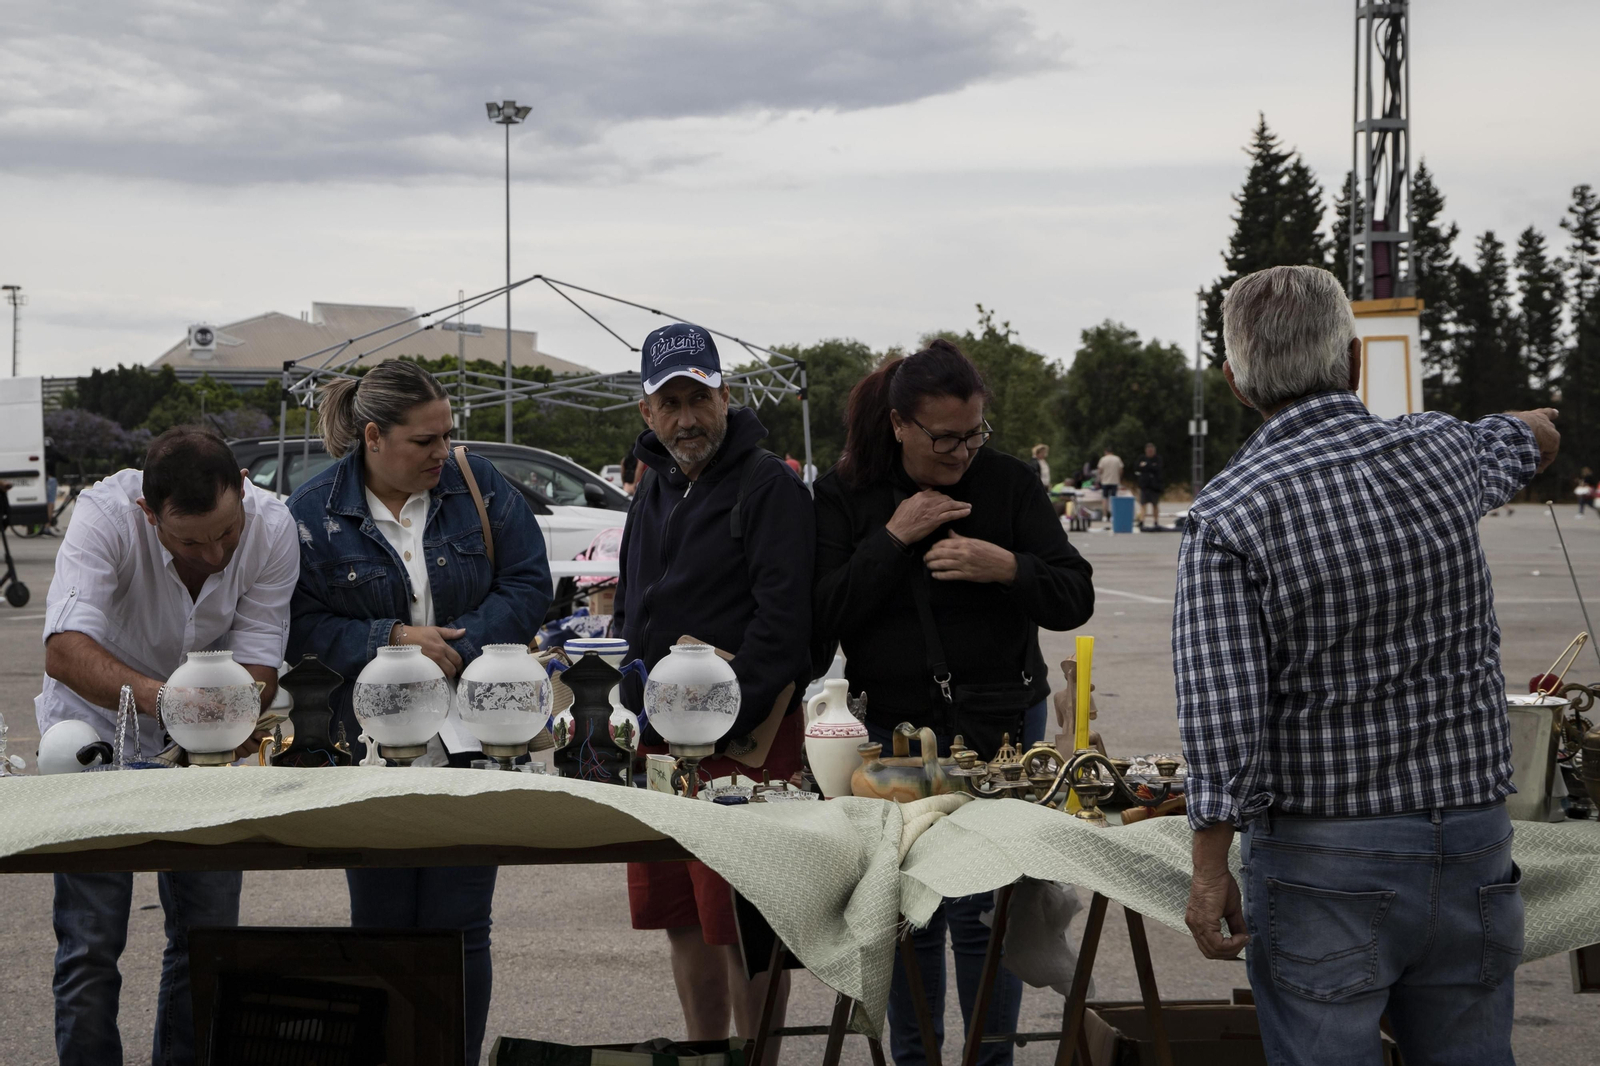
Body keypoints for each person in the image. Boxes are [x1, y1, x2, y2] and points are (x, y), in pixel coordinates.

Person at [1174, 265, 1560, 1066]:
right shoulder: (1444, 453)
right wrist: (1536, 425)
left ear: (1237, 383)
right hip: (1474, 847)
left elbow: (1224, 717)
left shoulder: (1228, 514)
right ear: (1354, 361)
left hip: (1325, 862)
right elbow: (1525, 439)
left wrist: (1209, 870)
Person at [812, 339, 1095, 1066]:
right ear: (901, 423)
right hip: (894, 734)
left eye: (974, 434)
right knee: (910, 912)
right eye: (944, 438)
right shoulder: (848, 493)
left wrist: (1006, 566)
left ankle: (988, 1059)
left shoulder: (1007, 486)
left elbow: (1073, 593)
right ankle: (918, 1061)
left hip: (1003, 728)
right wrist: (893, 538)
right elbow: (821, 616)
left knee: (986, 913)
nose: (961, 451)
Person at [285, 359, 552, 1065]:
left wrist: (461, 647)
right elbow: (297, 628)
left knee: (463, 926)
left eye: (448, 436)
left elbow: (531, 582)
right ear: (374, 437)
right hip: (366, 751)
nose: (444, 454)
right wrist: (392, 641)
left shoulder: (478, 484)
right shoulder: (310, 515)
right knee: (380, 925)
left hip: (479, 740)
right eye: (425, 442)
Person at [37, 426, 297, 1066]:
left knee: (209, 940)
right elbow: (65, 651)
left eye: (226, 534)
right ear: (147, 512)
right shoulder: (102, 517)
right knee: (92, 944)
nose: (213, 554)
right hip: (91, 737)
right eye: (189, 540)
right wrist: (170, 700)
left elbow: (262, 663)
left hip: (207, 744)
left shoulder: (274, 524)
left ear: (242, 489)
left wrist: (226, 712)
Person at [615, 322, 814, 1063]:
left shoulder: (771, 487)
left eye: (699, 397)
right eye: (670, 402)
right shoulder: (651, 488)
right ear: (647, 413)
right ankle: (705, 1057)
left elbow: (786, 626)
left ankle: (753, 1058)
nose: (687, 417)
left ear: (726, 396)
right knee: (682, 916)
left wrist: (719, 714)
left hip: (749, 738)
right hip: (664, 739)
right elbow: (638, 609)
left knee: (744, 921)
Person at [1134, 442, 1163, 528]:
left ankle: (1156, 521)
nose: (1150, 452)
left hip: (1154, 486)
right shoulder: (1142, 458)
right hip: (1144, 485)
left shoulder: (1158, 459)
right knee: (1143, 504)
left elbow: (1157, 469)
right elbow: (1137, 467)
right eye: (1148, 450)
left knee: (1155, 504)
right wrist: (1149, 466)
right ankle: (1142, 521)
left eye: (1152, 450)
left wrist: (1146, 466)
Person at [1095, 446, 1122, 526]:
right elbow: (1121, 470)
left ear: (1105, 452)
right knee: (1114, 499)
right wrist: (1118, 477)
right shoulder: (1117, 459)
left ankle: (1105, 516)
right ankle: (1113, 516)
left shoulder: (1103, 459)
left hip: (1105, 481)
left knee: (1105, 499)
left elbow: (1100, 470)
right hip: (1114, 481)